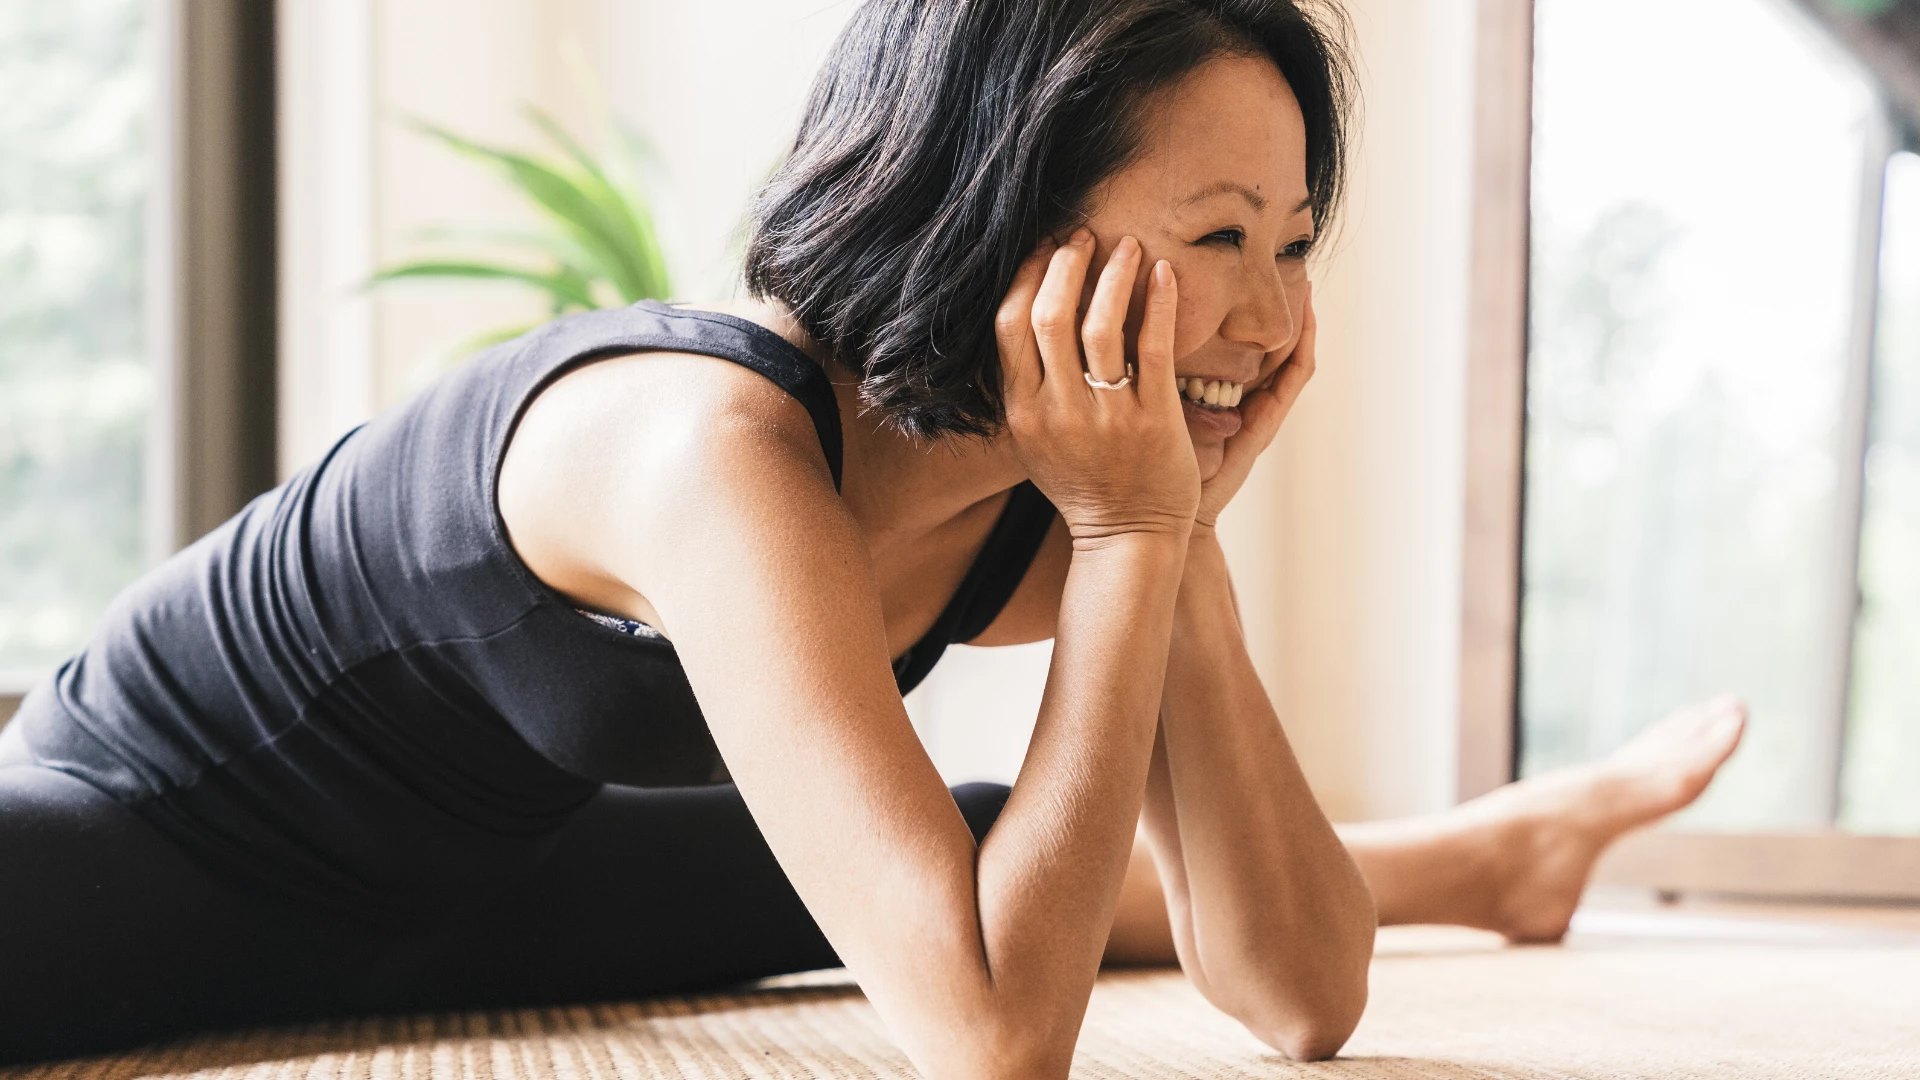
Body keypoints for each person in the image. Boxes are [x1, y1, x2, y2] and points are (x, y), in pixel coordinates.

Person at [0, 0, 1745, 1073]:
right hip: (162, 827)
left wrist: (1164, 543)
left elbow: (1295, 998)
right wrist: (1142, 537)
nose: (1274, 320)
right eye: (1215, 236)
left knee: (972, 867)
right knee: (976, 893)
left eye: (1292, 244)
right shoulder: (710, 446)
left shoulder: (1082, 492)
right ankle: (1480, 847)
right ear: (1002, 218)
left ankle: (1498, 855)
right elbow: (998, 1042)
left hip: (488, 886)